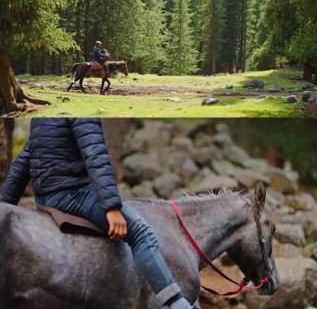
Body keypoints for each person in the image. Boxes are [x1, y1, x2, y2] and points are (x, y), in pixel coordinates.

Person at [0, 118, 196, 309]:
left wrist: (4, 204)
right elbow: (95, 155)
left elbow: (25, 158)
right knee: (142, 232)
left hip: (44, 197)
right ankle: (176, 303)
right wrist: (111, 207)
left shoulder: (41, 117)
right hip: (73, 193)